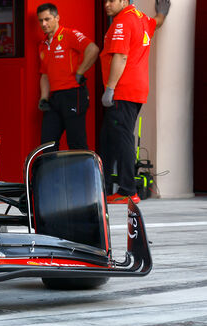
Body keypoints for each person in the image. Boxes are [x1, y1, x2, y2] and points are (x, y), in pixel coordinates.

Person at [99, 0, 170, 204]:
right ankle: (106, 187)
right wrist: (162, 13)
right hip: (135, 90)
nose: (106, 4)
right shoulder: (141, 18)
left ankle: (128, 190)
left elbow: (120, 56)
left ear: (124, 1)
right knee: (110, 139)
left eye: (112, 1)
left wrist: (110, 89)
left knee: (122, 139)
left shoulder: (122, 22)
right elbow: (156, 23)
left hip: (123, 90)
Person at [37, 3, 99, 152]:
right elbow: (44, 74)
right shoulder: (43, 45)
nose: (44, 24)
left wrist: (80, 72)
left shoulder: (69, 34)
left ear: (57, 18)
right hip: (54, 98)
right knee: (47, 144)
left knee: (76, 144)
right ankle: (49, 176)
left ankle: (82, 176)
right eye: (40, 20)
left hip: (74, 94)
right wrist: (44, 98)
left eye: (47, 19)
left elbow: (93, 49)